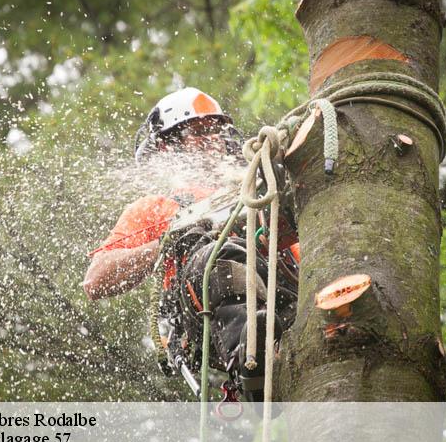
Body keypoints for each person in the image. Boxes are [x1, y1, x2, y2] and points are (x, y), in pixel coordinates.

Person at [84, 87, 298, 401]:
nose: (210, 139)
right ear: (167, 146)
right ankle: (251, 356)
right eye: (197, 132)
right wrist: (166, 244)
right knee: (213, 253)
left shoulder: (253, 191)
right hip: (208, 309)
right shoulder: (156, 207)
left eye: (214, 131)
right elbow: (95, 280)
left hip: (279, 293)